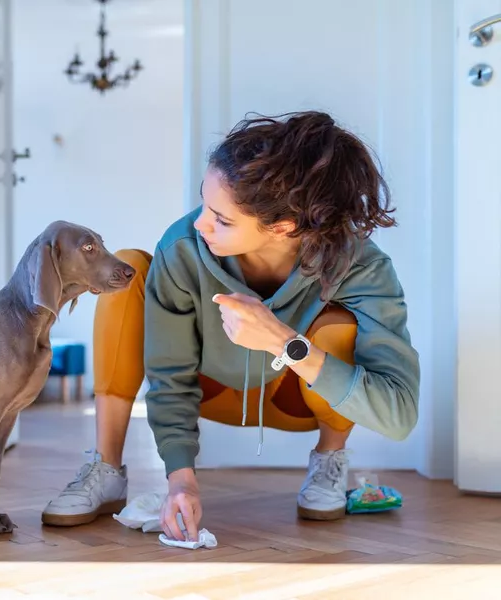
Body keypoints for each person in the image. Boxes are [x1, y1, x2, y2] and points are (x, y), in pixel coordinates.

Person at [40, 111, 420, 541]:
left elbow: (399, 416)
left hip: (294, 402)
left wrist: (283, 341)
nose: (200, 223)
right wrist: (180, 479)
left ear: (282, 227)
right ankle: (106, 466)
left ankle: (329, 460)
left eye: (221, 219)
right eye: (205, 202)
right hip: (210, 388)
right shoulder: (184, 246)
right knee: (128, 269)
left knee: (339, 325)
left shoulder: (362, 267)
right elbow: (169, 375)